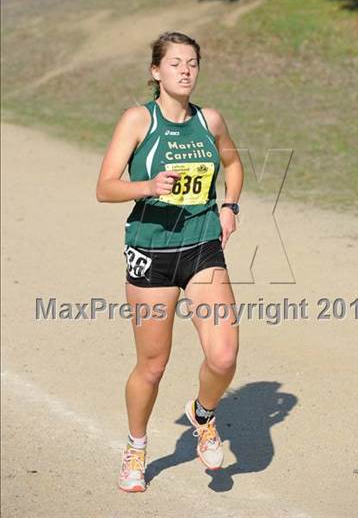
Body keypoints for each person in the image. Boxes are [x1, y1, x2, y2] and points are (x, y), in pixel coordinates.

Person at [96, 31, 244, 492]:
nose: (185, 69)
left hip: (202, 246)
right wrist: (148, 186)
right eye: (175, 62)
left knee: (223, 355)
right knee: (153, 365)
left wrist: (229, 205)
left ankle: (202, 415)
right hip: (151, 252)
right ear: (156, 71)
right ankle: (136, 447)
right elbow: (105, 187)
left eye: (193, 63)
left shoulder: (211, 120)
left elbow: (233, 165)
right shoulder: (138, 120)